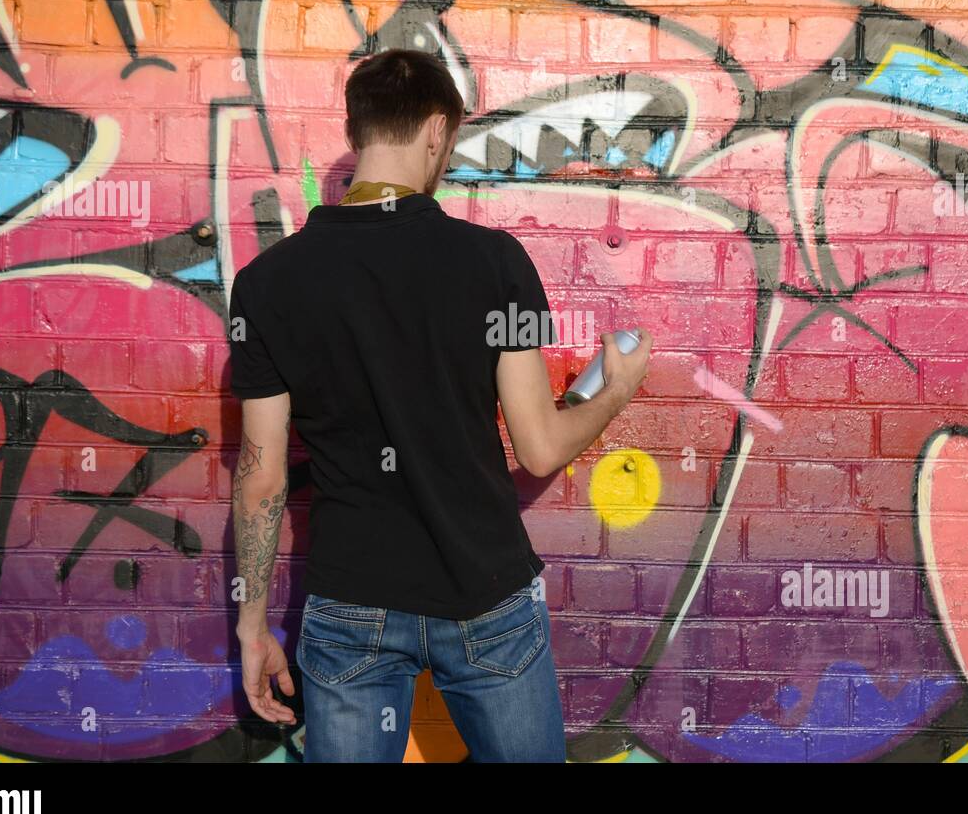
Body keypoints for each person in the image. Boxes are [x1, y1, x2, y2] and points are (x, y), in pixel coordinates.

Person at [226, 48, 652, 762]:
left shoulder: (266, 283)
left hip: (349, 602)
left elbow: (261, 475)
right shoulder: (495, 263)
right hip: (485, 597)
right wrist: (616, 390)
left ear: (359, 132)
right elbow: (540, 447)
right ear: (434, 130)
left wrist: (251, 624)